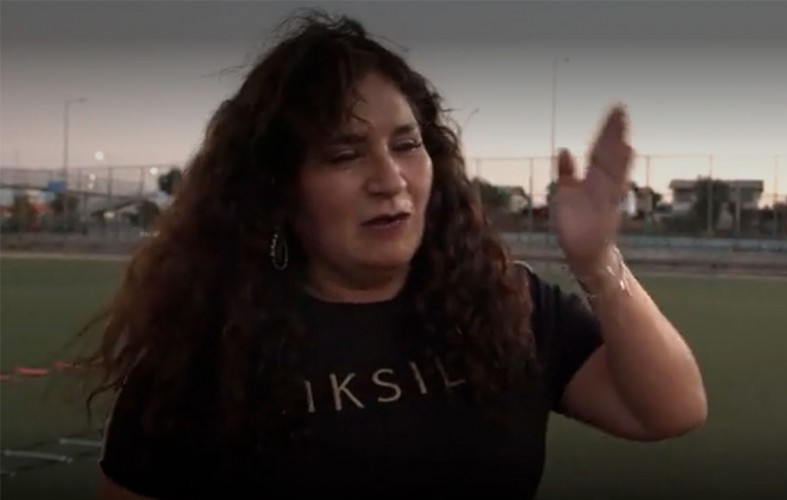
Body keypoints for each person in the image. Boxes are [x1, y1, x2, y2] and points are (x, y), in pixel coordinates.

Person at [81, 11, 707, 500]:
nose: (390, 179)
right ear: (278, 186)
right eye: (344, 154)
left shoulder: (503, 303)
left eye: (406, 145)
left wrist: (597, 260)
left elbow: (669, 410)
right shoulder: (205, 353)